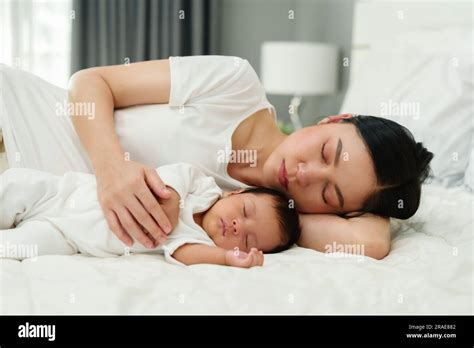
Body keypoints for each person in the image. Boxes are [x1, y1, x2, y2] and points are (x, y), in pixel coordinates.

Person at [0, 56, 434, 260]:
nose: (304, 173)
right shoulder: (234, 83)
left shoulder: (249, 217)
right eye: (325, 152)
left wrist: (377, 206)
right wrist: (111, 168)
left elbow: (371, 244)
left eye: (329, 192)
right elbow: (89, 82)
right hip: (13, 116)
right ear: (333, 118)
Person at [0, 163, 301, 268]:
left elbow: (185, 255)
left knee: (17, 247)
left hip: (69, 238)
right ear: (234, 193)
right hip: (62, 192)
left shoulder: (199, 244)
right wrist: (172, 197)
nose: (237, 226)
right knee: (16, 185)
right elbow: (178, 172)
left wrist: (226, 259)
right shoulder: (202, 188)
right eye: (245, 212)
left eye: (246, 239)